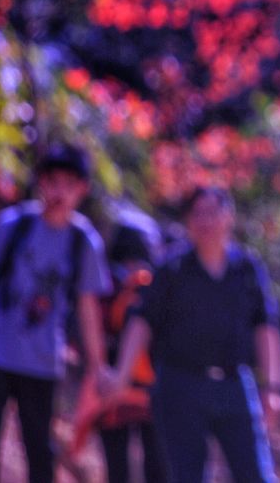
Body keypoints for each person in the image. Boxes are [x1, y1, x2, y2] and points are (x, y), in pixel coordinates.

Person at [105, 186, 280, 483]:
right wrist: (121, 374)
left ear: (229, 217)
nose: (206, 221)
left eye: (213, 212)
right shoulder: (170, 268)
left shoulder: (247, 268)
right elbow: (141, 322)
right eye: (197, 214)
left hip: (235, 384)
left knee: (257, 475)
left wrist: (273, 388)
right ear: (188, 221)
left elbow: (265, 325)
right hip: (179, 385)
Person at [0, 142, 113, 483]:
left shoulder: (83, 243)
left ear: (82, 190)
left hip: (42, 362)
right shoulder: (12, 225)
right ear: (41, 182)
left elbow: (88, 310)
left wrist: (97, 367)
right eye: (53, 182)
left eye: (69, 185)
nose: (59, 192)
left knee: (39, 450)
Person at [91, 205, 167, 482]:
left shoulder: (158, 288)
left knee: (149, 467)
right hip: (127, 388)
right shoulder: (108, 285)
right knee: (130, 468)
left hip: (140, 389)